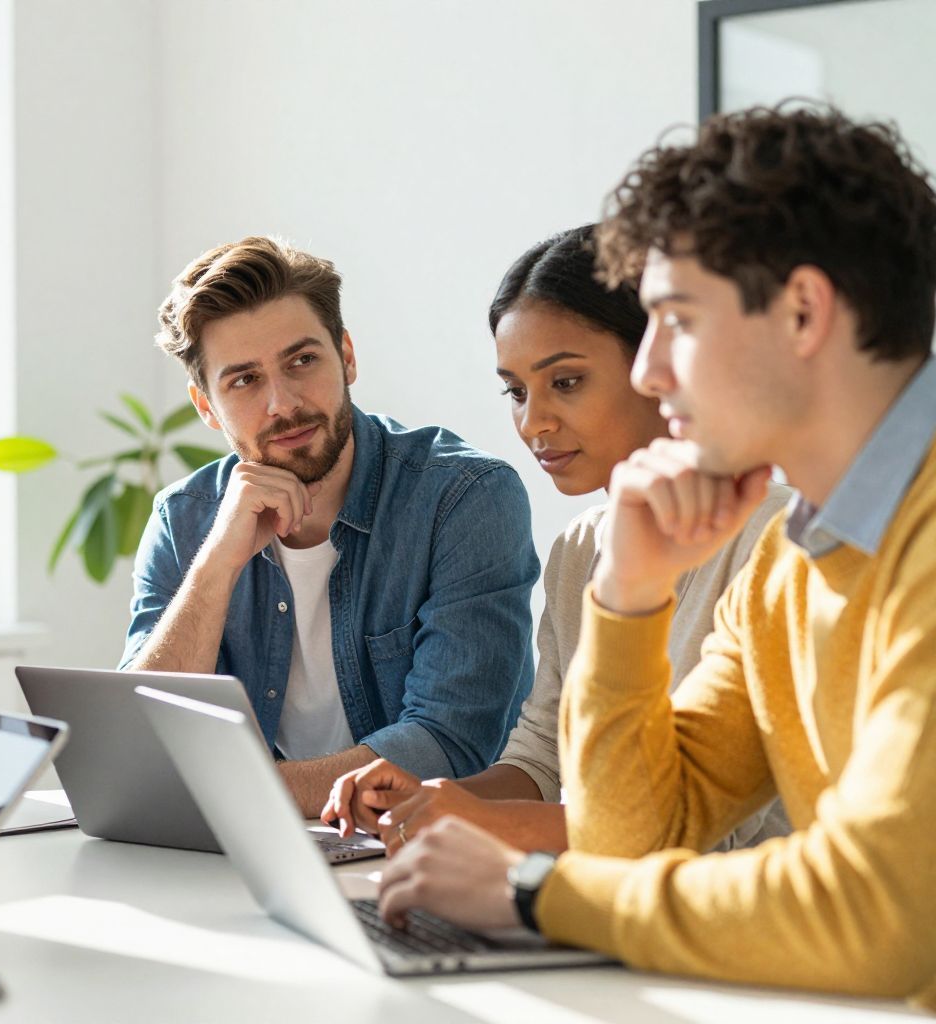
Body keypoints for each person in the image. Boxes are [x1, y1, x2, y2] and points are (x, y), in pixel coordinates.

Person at [372, 106, 936, 1015]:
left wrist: (534, 893)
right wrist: (629, 591)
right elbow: (636, 834)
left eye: (676, 321)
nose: (648, 372)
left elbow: (881, 915)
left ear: (804, 312)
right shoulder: (788, 564)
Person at [322, 225, 792, 853]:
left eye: (565, 382)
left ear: (656, 365)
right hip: (599, 894)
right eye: (516, 391)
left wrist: (481, 822)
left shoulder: (778, 540)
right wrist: (432, 798)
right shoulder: (580, 550)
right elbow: (543, 757)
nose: (532, 422)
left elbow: (708, 836)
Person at [122, 235, 539, 814]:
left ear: (346, 356)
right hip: (260, 839)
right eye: (244, 380)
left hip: (428, 842)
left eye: (302, 361)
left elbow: (449, 743)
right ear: (206, 406)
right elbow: (141, 741)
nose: (283, 403)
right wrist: (216, 563)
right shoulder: (184, 518)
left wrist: (236, 793)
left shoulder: (463, 497)